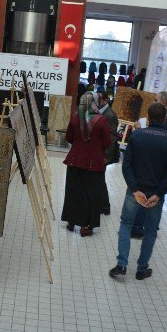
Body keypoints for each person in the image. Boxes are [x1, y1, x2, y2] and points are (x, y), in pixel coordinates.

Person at [109, 102, 167, 281]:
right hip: (156, 194)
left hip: (135, 191)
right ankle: (142, 269)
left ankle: (122, 265)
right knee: (150, 231)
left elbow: (127, 165)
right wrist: (159, 193)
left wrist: (134, 189)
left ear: (148, 118)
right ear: (164, 119)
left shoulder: (137, 135)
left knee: (126, 224)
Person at [131, 91, 167, 239]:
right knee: (157, 195)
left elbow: (156, 139)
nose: (153, 102)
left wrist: (140, 131)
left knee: (146, 194)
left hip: (154, 163)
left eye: (155, 100)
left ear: (163, 102)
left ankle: (140, 228)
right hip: (163, 165)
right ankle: (151, 225)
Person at [61, 92, 111, 237]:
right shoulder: (101, 120)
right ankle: (86, 226)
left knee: (73, 192)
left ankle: (71, 221)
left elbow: (69, 137)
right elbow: (107, 142)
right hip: (93, 163)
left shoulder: (76, 117)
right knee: (91, 195)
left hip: (74, 160)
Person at [98, 91, 119, 215]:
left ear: (105, 100)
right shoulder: (101, 112)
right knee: (99, 179)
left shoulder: (110, 115)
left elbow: (112, 138)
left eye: (99, 99)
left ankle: (105, 207)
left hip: (104, 154)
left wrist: (106, 157)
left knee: (100, 179)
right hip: (100, 152)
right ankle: (102, 205)